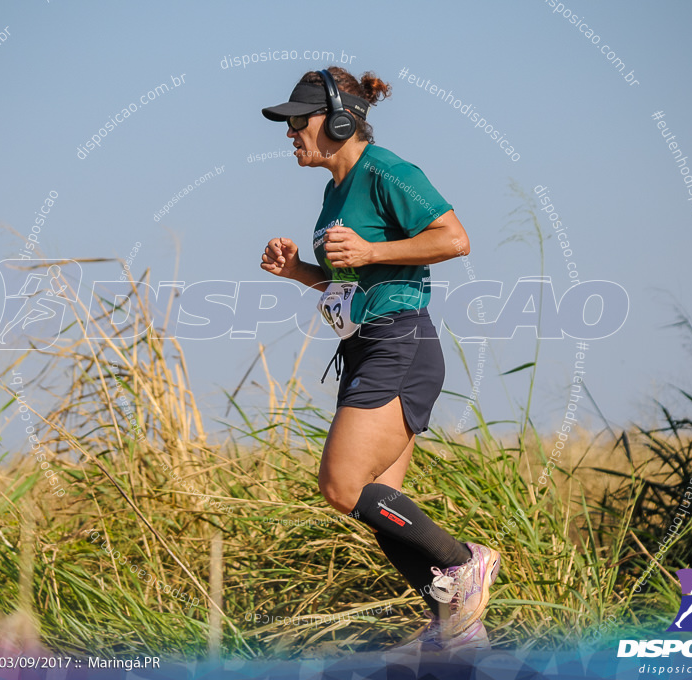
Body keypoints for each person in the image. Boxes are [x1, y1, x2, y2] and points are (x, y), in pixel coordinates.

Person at [259, 67, 500, 651]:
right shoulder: (334, 190)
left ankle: (464, 561)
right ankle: (457, 627)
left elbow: (454, 238)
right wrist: (300, 273)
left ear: (339, 120)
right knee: (377, 505)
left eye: (299, 120)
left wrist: (372, 249)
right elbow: (354, 279)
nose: (290, 132)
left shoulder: (389, 171)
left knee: (342, 487)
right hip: (366, 346)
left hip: (400, 344)